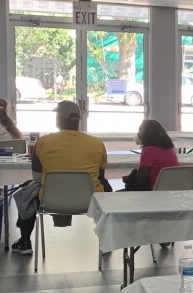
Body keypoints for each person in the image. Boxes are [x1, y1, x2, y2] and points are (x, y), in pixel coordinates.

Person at [11, 100, 107, 255]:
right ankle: (106, 239)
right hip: (90, 201)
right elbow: (100, 177)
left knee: (27, 189)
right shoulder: (97, 143)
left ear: (59, 120)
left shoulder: (43, 142)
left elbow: (37, 177)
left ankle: (25, 241)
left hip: (50, 199)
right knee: (106, 188)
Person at [127, 119, 179, 190]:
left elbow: (140, 179)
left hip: (155, 190)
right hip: (172, 190)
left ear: (147, 134)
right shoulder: (170, 149)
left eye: (140, 131)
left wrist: (129, 178)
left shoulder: (148, 150)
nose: (138, 134)